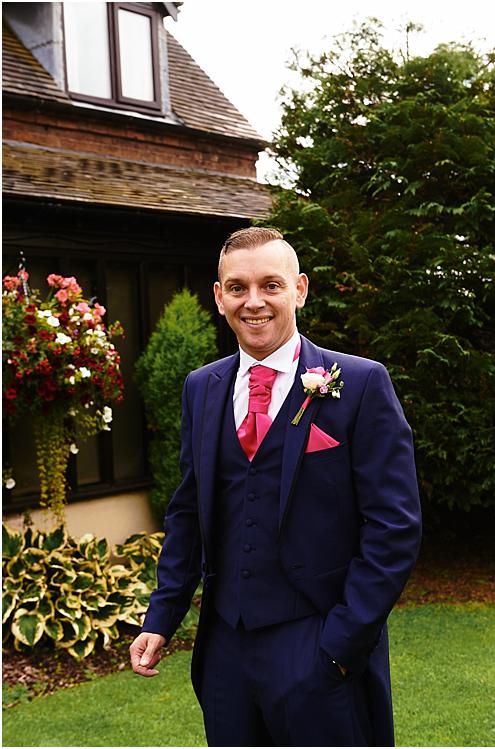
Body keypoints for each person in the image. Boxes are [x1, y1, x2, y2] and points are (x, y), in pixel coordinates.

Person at [128, 227, 422, 745]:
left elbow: (394, 526)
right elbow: (188, 511)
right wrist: (162, 616)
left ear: (300, 290)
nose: (254, 302)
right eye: (238, 288)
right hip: (224, 650)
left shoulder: (359, 383)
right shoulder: (202, 387)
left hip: (317, 639)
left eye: (271, 285)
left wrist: (341, 643)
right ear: (219, 297)